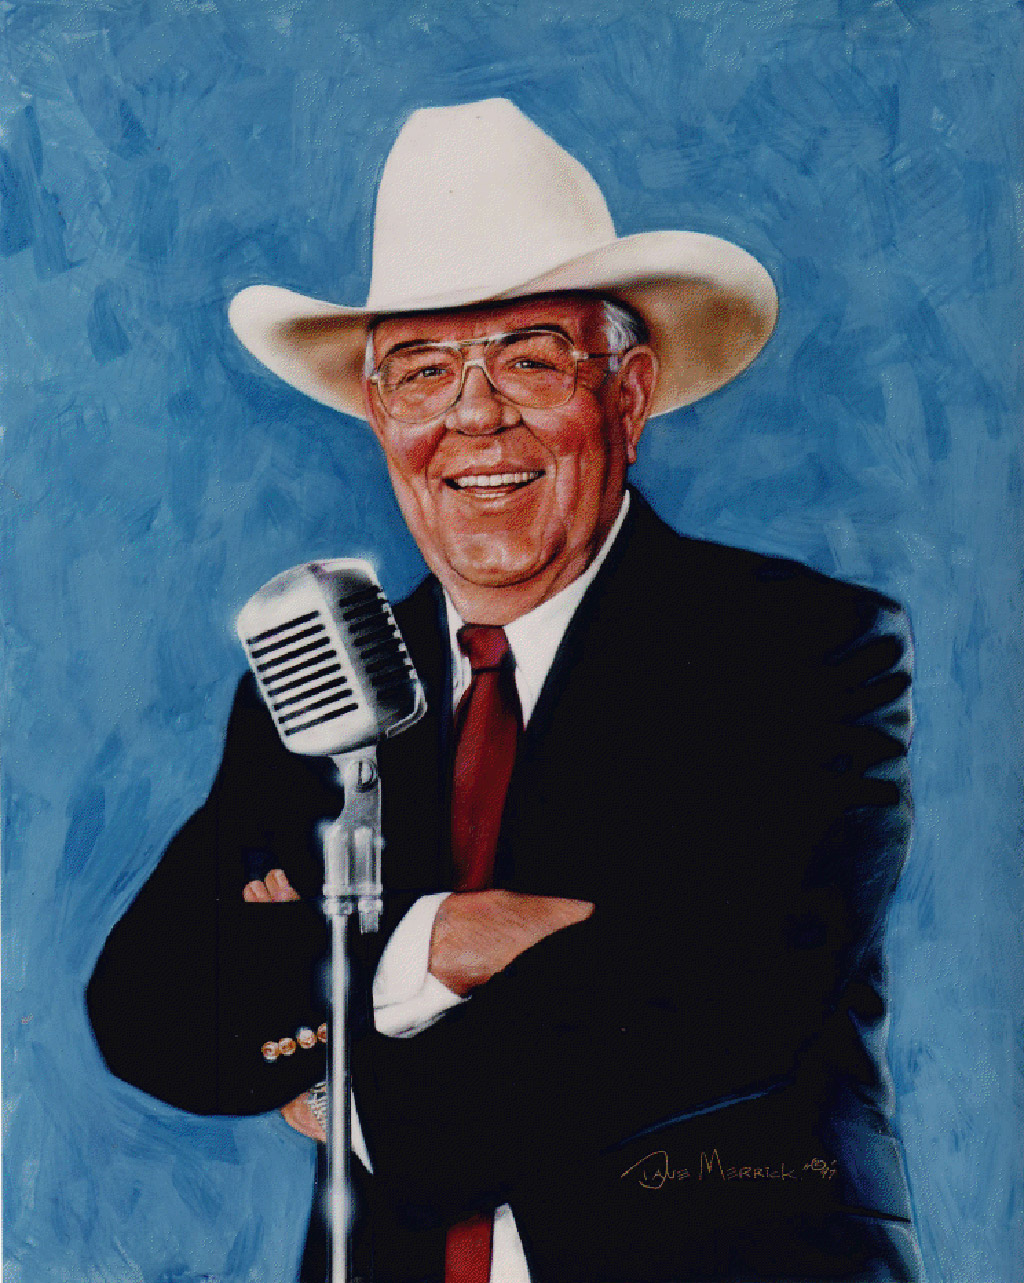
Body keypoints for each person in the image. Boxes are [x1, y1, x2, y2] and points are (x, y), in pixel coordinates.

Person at [87, 99, 924, 1282]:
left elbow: (723, 999)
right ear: (380, 415)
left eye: (530, 359)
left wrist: (345, 1069)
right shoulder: (317, 681)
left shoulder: (797, 650)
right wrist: (438, 939)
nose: (474, 416)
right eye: (423, 371)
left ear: (628, 394)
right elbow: (154, 1007)